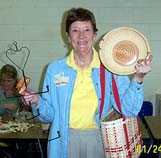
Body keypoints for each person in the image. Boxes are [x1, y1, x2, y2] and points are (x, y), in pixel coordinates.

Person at [23, 8, 152, 158]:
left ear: (95, 34)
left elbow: (129, 110)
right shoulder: (55, 69)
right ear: (68, 36)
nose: (82, 36)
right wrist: (36, 101)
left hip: (99, 140)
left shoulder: (110, 67)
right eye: (75, 30)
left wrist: (138, 77)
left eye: (87, 30)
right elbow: (49, 116)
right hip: (64, 140)